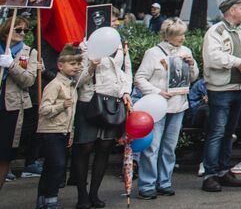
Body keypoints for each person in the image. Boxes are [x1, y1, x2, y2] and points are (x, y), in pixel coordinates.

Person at [134, 18, 199, 198]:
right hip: (158, 106)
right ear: (168, 35)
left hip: (178, 105)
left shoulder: (186, 51)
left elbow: (193, 78)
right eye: (179, 35)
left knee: (169, 147)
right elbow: (139, 78)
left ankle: (165, 181)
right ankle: (147, 184)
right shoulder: (153, 53)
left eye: (183, 34)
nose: (183, 38)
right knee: (152, 147)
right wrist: (157, 91)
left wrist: (192, 65)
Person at [73, 36, 133, 209]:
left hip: (112, 100)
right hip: (90, 100)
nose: (113, 22)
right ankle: (82, 195)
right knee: (85, 146)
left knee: (105, 147)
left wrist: (125, 91)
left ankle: (94, 193)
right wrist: (91, 66)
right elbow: (77, 81)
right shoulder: (86, 44)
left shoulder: (120, 45)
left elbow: (125, 71)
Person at [201, 0, 241, 192]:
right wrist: (236, 62)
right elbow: (213, 57)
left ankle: (223, 170)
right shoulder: (215, 31)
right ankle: (210, 174)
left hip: (238, 88)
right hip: (221, 89)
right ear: (231, 10)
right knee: (217, 132)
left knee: (229, 132)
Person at [35, 45, 84, 209]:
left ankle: (42, 198)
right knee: (58, 166)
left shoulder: (72, 86)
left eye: (77, 63)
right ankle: (50, 198)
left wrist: (71, 132)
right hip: (51, 131)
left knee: (50, 166)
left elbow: (72, 114)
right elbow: (43, 110)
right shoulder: (55, 85)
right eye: (72, 63)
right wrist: (61, 106)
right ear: (60, 66)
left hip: (63, 131)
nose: (76, 67)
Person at [0, 15, 39, 192]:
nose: (22, 33)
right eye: (18, 29)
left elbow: (29, 80)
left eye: (25, 30)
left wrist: (11, 65)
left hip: (11, 108)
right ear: (7, 29)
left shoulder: (29, 52)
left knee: (4, 154)